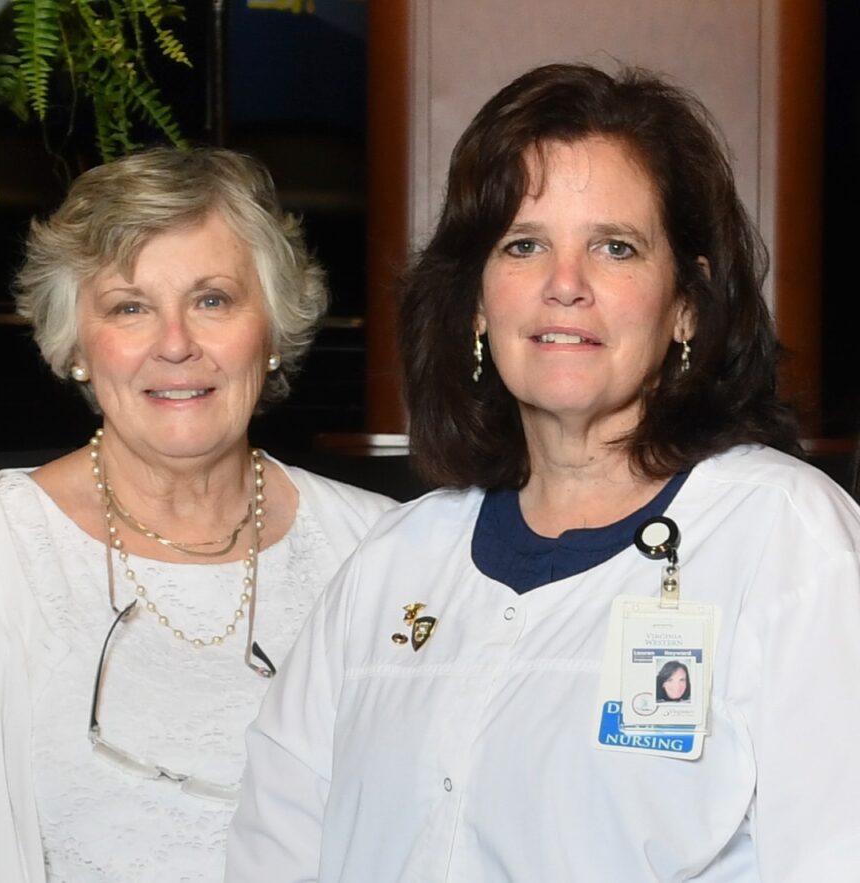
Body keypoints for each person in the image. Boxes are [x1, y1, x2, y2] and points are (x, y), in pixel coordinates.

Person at [226, 64, 860, 880]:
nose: (566, 286)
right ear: (480, 304)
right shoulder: (396, 562)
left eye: (615, 247)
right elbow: (272, 848)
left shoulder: (787, 541)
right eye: (524, 245)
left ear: (687, 305)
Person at [0, 147, 395, 882]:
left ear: (272, 329)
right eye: (130, 307)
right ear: (76, 344)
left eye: (212, 300)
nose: (174, 344)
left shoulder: (384, 551)